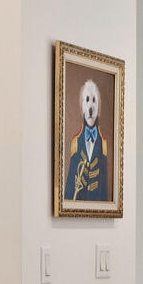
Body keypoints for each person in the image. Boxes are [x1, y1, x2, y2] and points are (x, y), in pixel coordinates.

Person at [62, 76, 108, 205]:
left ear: (98, 108)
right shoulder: (76, 143)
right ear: (82, 107)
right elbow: (71, 183)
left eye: (94, 101)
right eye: (87, 100)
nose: (90, 107)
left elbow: (104, 186)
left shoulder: (103, 145)